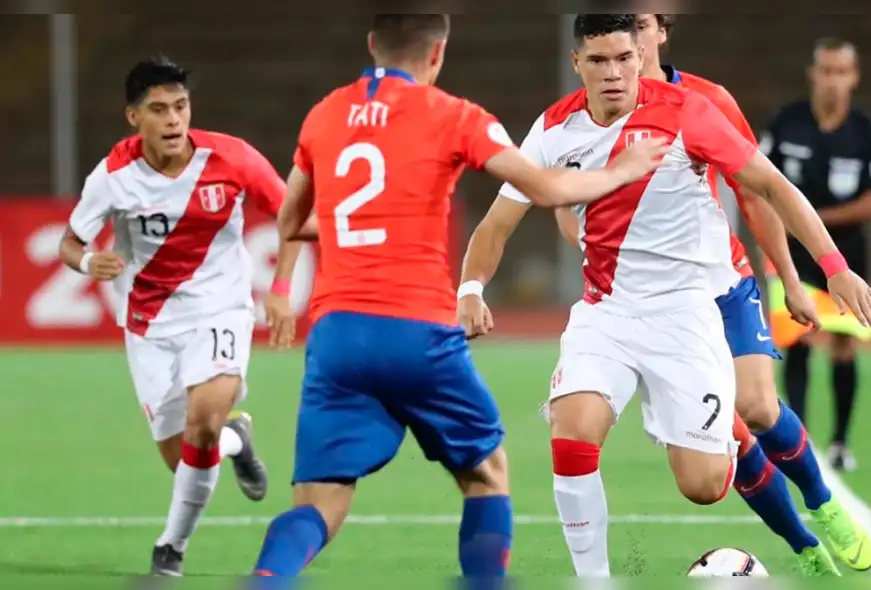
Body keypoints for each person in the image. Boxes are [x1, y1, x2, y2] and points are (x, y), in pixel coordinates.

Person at [458, 14, 871, 578]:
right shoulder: (553, 129)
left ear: (644, 53)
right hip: (606, 313)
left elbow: (770, 187)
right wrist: (469, 289)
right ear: (576, 62)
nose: (613, 72)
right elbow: (496, 223)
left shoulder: (691, 110)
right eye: (599, 60)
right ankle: (595, 578)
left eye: (623, 58)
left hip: (691, 311)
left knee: (710, 478)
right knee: (573, 430)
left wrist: (830, 269)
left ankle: (812, 499)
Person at [247, 14, 668, 580]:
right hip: (416, 328)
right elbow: (544, 187)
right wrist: (619, 171)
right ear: (438, 53)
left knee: (319, 503)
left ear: (373, 45)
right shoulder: (451, 115)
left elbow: (291, 218)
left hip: (337, 332)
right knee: (486, 472)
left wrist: (356, 229)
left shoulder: (326, 114)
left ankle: (266, 579)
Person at [57, 55, 302, 576]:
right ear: (133, 117)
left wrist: (280, 288)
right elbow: (70, 241)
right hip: (148, 324)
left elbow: (294, 214)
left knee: (203, 421)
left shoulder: (231, 158)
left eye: (181, 106)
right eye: (159, 109)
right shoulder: (113, 176)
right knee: (187, 454)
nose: (173, 120)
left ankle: (171, 548)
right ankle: (239, 439)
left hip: (221, 309)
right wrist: (85, 261)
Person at [760, 37, 871, 472]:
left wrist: (809, 218)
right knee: (795, 341)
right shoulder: (786, 123)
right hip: (792, 256)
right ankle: (802, 440)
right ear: (813, 73)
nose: (833, 80)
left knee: (843, 345)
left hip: (847, 259)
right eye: (826, 70)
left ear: (853, 77)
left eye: (841, 71)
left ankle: (839, 442)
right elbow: (761, 185)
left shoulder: (867, 132)